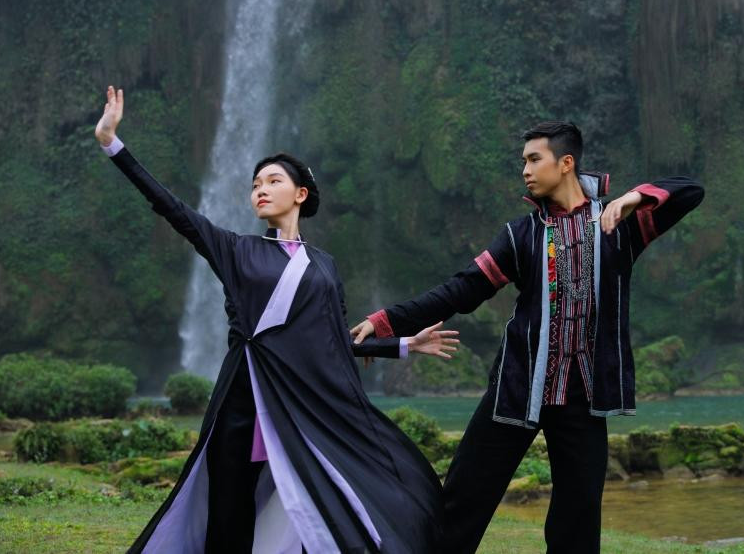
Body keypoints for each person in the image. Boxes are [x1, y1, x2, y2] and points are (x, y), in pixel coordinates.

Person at [94, 86, 458, 554]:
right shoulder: (236, 249)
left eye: (272, 181)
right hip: (243, 399)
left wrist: (402, 345)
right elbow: (172, 208)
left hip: (302, 404)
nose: (260, 190)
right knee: (230, 507)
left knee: (315, 500)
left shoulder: (324, 265)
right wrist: (112, 144)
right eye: (255, 185)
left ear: (300, 194)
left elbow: (330, 341)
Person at [351, 121, 705, 553]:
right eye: (524, 161)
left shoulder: (619, 226)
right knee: (461, 505)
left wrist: (634, 197)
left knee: (578, 523)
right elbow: (461, 289)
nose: (525, 170)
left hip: (584, 397)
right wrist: (385, 321)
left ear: (566, 163)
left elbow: (691, 190)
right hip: (516, 388)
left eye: (535, 159)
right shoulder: (521, 236)